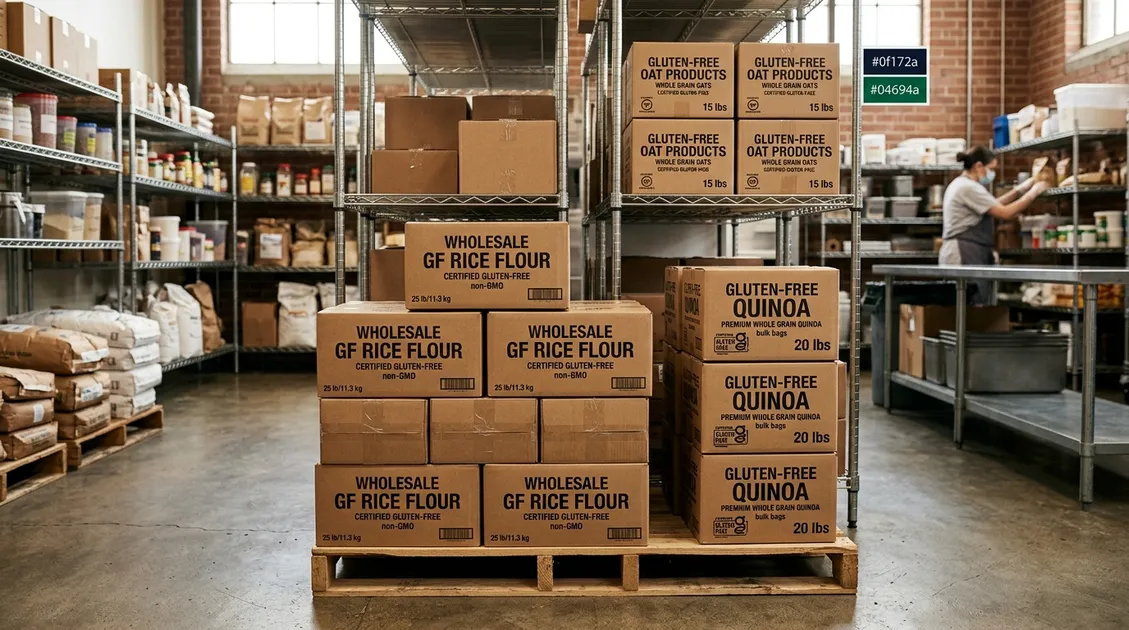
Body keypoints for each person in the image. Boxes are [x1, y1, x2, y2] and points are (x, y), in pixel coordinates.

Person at [940, 146, 1049, 303]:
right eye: (991, 169)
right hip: (963, 253)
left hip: (969, 251)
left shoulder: (963, 184)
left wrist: (1023, 188)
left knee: (971, 303)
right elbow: (1005, 212)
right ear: (978, 166)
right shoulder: (968, 187)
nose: (993, 174)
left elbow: (993, 204)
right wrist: (1034, 192)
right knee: (968, 303)